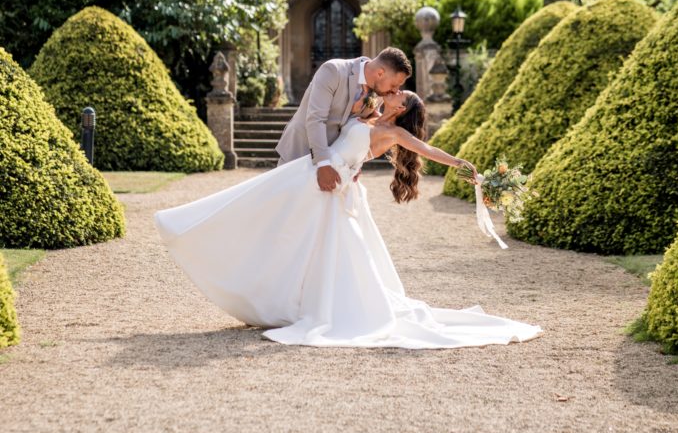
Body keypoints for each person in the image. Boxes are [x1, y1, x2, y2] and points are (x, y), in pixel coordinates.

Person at [154, 90, 542, 349]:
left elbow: (426, 148)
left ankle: (300, 305)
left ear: (401, 109)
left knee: (306, 244)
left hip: (329, 189)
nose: (393, 92)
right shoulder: (367, 113)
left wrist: (461, 164)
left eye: (399, 94)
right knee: (261, 213)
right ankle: (218, 252)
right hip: (313, 175)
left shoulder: (393, 132)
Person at [276, 47, 411, 191]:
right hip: (300, 149)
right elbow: (316, 119)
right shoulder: (333, 71)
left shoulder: (380, 92)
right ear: (380, 73)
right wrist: (323, 163)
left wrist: (354, 163)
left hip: (335, 163)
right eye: (394, 85)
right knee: (285, 200)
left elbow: (360, 129)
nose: (395, 91)